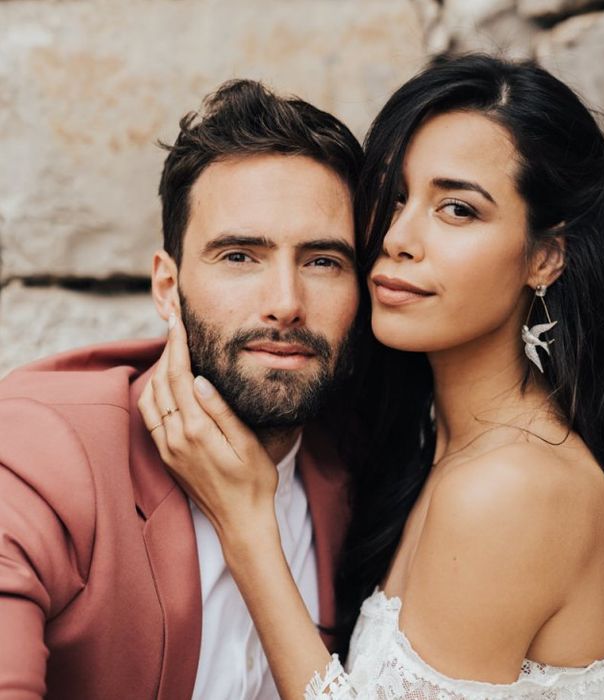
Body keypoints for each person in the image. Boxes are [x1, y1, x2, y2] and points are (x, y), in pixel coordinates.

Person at [141, 54, 604, 698]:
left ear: (545, 257)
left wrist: (245, 523)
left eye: (457, 209)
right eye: (394, 197)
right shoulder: (436, 445)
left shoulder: (515, 483)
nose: (399, 237)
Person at [0, 79, 364, 699]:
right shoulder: (39, 452)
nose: (285, 304)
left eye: (323, 261)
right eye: (239, 256)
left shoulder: (365, 469)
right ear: (168, 288)